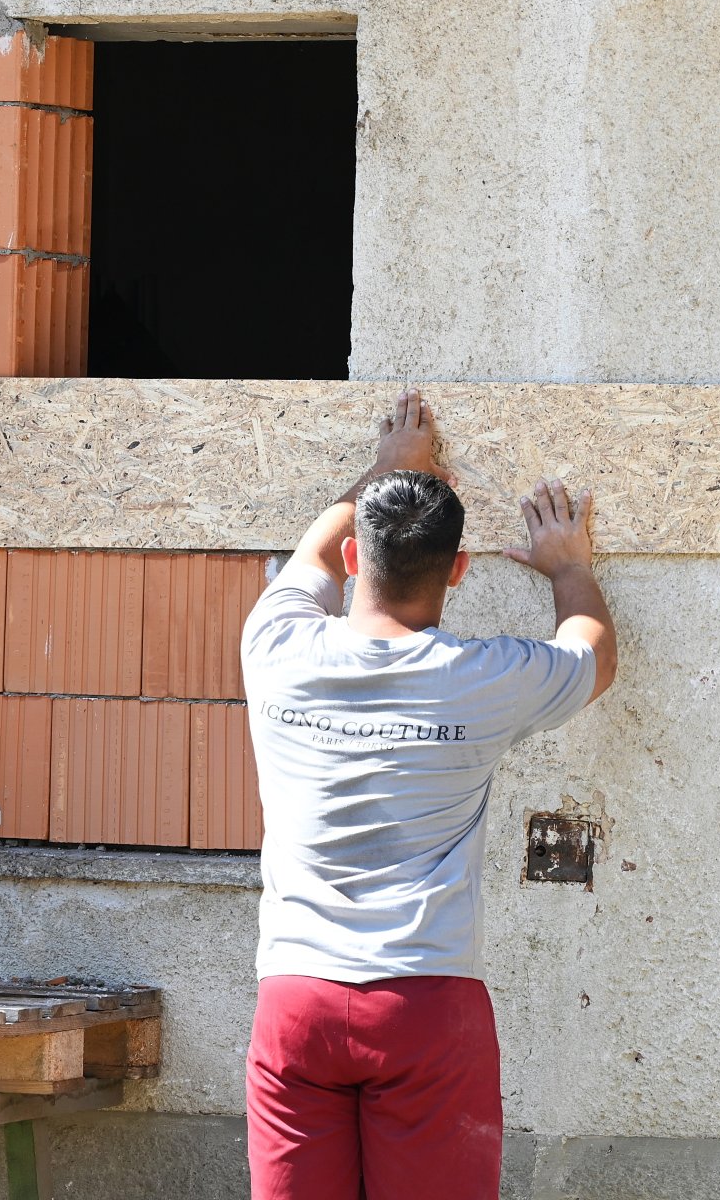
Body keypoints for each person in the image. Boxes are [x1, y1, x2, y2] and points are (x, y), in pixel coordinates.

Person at [241, 389, 619, 1198]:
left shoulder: (276, 647)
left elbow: (311, 552)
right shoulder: (480, 679)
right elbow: (590, 657)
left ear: (355, 563)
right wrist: (570, 567)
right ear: (459, 569)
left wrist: (384, 467)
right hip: (423, 1004)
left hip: (295, 1001)